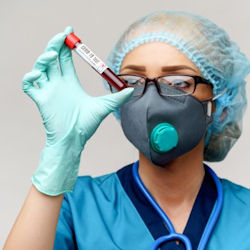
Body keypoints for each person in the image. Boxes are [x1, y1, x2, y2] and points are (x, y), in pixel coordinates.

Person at [4, 10, 250, 250]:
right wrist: (59, 154)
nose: (151, 100)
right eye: (132, 82)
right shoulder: (75, 205)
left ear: (221, 105)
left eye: (178, 82)